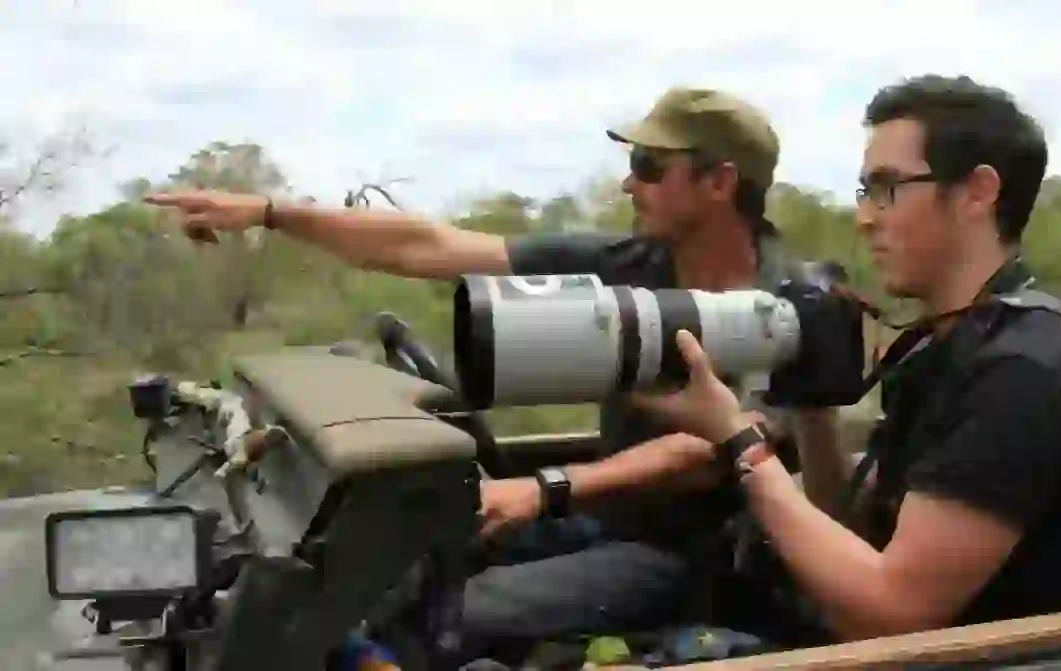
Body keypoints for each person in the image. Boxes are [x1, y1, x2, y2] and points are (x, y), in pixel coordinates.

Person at [143, 86, 837, 657]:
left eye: (653, 166)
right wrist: (267, 212)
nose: (630, 182)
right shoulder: (628, 265)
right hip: (594, 512)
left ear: (719, 181)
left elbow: (722, 445)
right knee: (379, 567)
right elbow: (428, 245)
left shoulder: (792, 307)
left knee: (443, 619)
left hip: (693, 555)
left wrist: (544, 490)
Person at [632, 74, 1061, 644]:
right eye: (864, 191)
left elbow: (888, 612)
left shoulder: (1022, 372)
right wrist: (813, 403)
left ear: (978, 192)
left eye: (888, 188)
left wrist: (739, 443)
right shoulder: (946, 346)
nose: (865, 217)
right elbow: (855, 541)